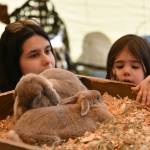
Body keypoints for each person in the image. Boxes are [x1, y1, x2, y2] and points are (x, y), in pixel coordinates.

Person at [0, 19, 56, 92]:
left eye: (47, 51)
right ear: (13, 64)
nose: (47, 60)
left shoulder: (71, 90)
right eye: (34, 55)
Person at [106, 34, 150, 106]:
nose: (126, 71)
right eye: (120, 66)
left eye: (135, 66)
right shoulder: (104, 98)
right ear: (111, 71)